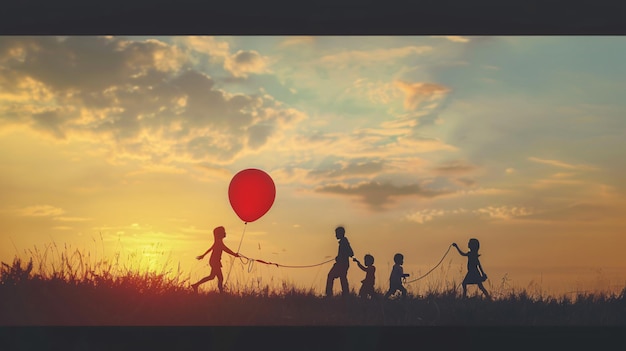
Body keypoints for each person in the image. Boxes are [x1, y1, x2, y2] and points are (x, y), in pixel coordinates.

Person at [191, 226, 240, 293]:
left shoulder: (218, 242)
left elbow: (210, 249)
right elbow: (225, 249)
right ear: (220, 234)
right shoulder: (219, 242)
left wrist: (203, 255)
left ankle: (196, 285)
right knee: (220, 278)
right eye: (223, 232)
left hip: (215, 261)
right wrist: (234, 254)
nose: (225, 233)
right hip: (215, 262)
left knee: (212, 277)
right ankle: (221, 293)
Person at [325, 226, 354, 297]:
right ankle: (346, 294)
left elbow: (350, 253)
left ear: (340, 234)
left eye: (336, 234)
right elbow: (350, 253)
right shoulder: (344, 242)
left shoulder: (344, 242)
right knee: (343, 278)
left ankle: (329, 294)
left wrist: (340, 257)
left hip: (341, 264)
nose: (335, 235)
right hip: (344, 264)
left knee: (331, 276)